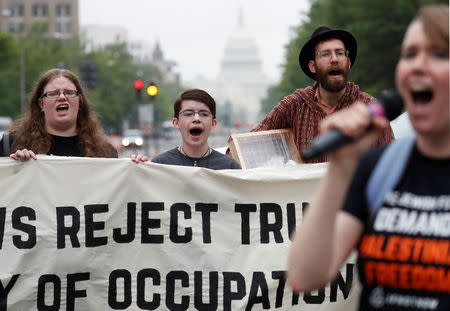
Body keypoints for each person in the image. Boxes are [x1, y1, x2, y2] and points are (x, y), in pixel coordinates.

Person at [287, 5, 449, 310]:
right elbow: (304, 276)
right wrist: (341, 167)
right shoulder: (380, 169)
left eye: (439, 54)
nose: (418, 65)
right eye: (410, 54)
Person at [252, 26, 394, 163]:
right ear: (312, 66)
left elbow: (394, 164)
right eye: (325, 54)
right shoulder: (294, 106)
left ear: (348, 63)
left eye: (339, 53)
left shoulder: (370, 108)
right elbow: (248, 146)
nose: (334, 59)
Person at [0, 68, 118, 160]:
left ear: (80, 101)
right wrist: (17, 167)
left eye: (69, 92)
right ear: (41, 104)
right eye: (53, 93)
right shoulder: (12, 145)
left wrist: (135, 168)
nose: (62, 97)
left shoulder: (105, 152)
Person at [143, 89, 240, 169]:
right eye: (189, 114)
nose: (196, 119)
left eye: (204, 114)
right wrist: (137, 168)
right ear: (176, 123)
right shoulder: (159, 165)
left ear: (213, 124)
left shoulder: (230, 167)